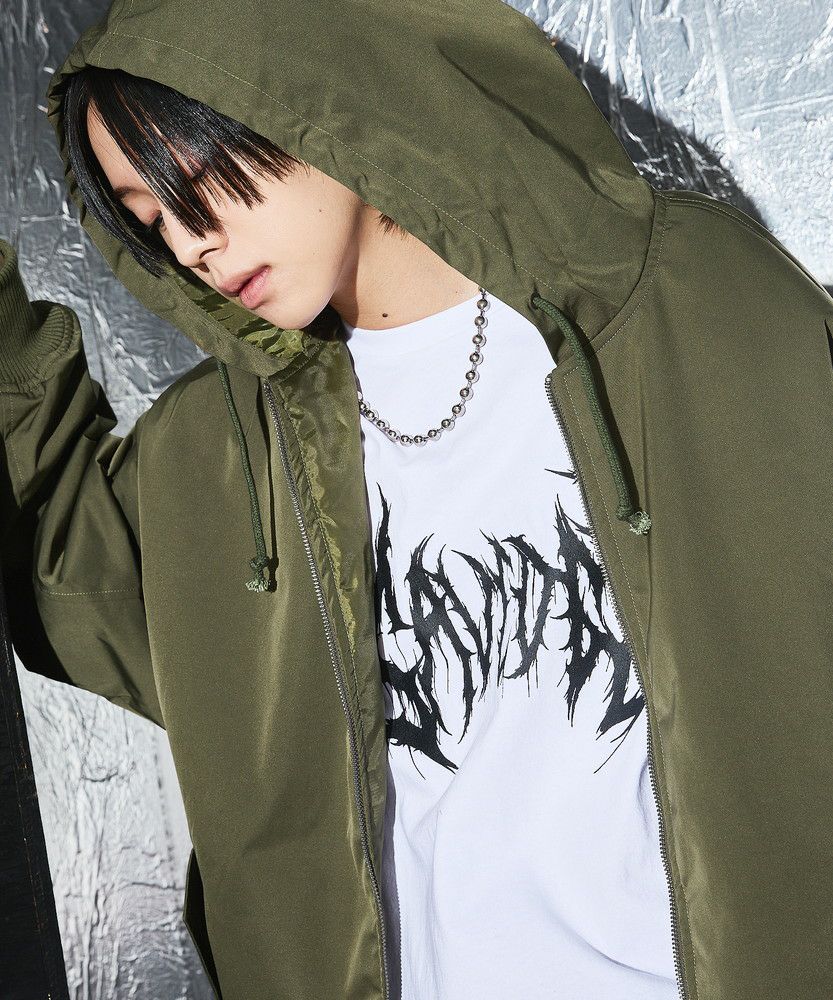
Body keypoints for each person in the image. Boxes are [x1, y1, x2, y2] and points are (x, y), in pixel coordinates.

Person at [1, 1, 831, 999]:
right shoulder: (218, 451)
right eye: (151, 220)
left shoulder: (672, 301)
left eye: (200, 180)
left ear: (311, 93)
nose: (191, 244)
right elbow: (75, 582)